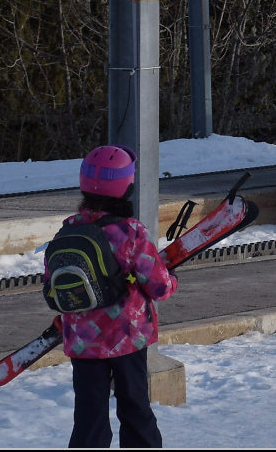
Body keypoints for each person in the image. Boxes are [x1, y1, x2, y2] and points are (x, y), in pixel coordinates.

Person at [51, 145, 177, 449]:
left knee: (89, 417)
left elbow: (53, 284)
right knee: (135, 409)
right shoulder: (130, 231)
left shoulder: (67, 231)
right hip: (126, 338)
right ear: (126, 186)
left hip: (83, 341)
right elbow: (158, 286)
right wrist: (172, 280)